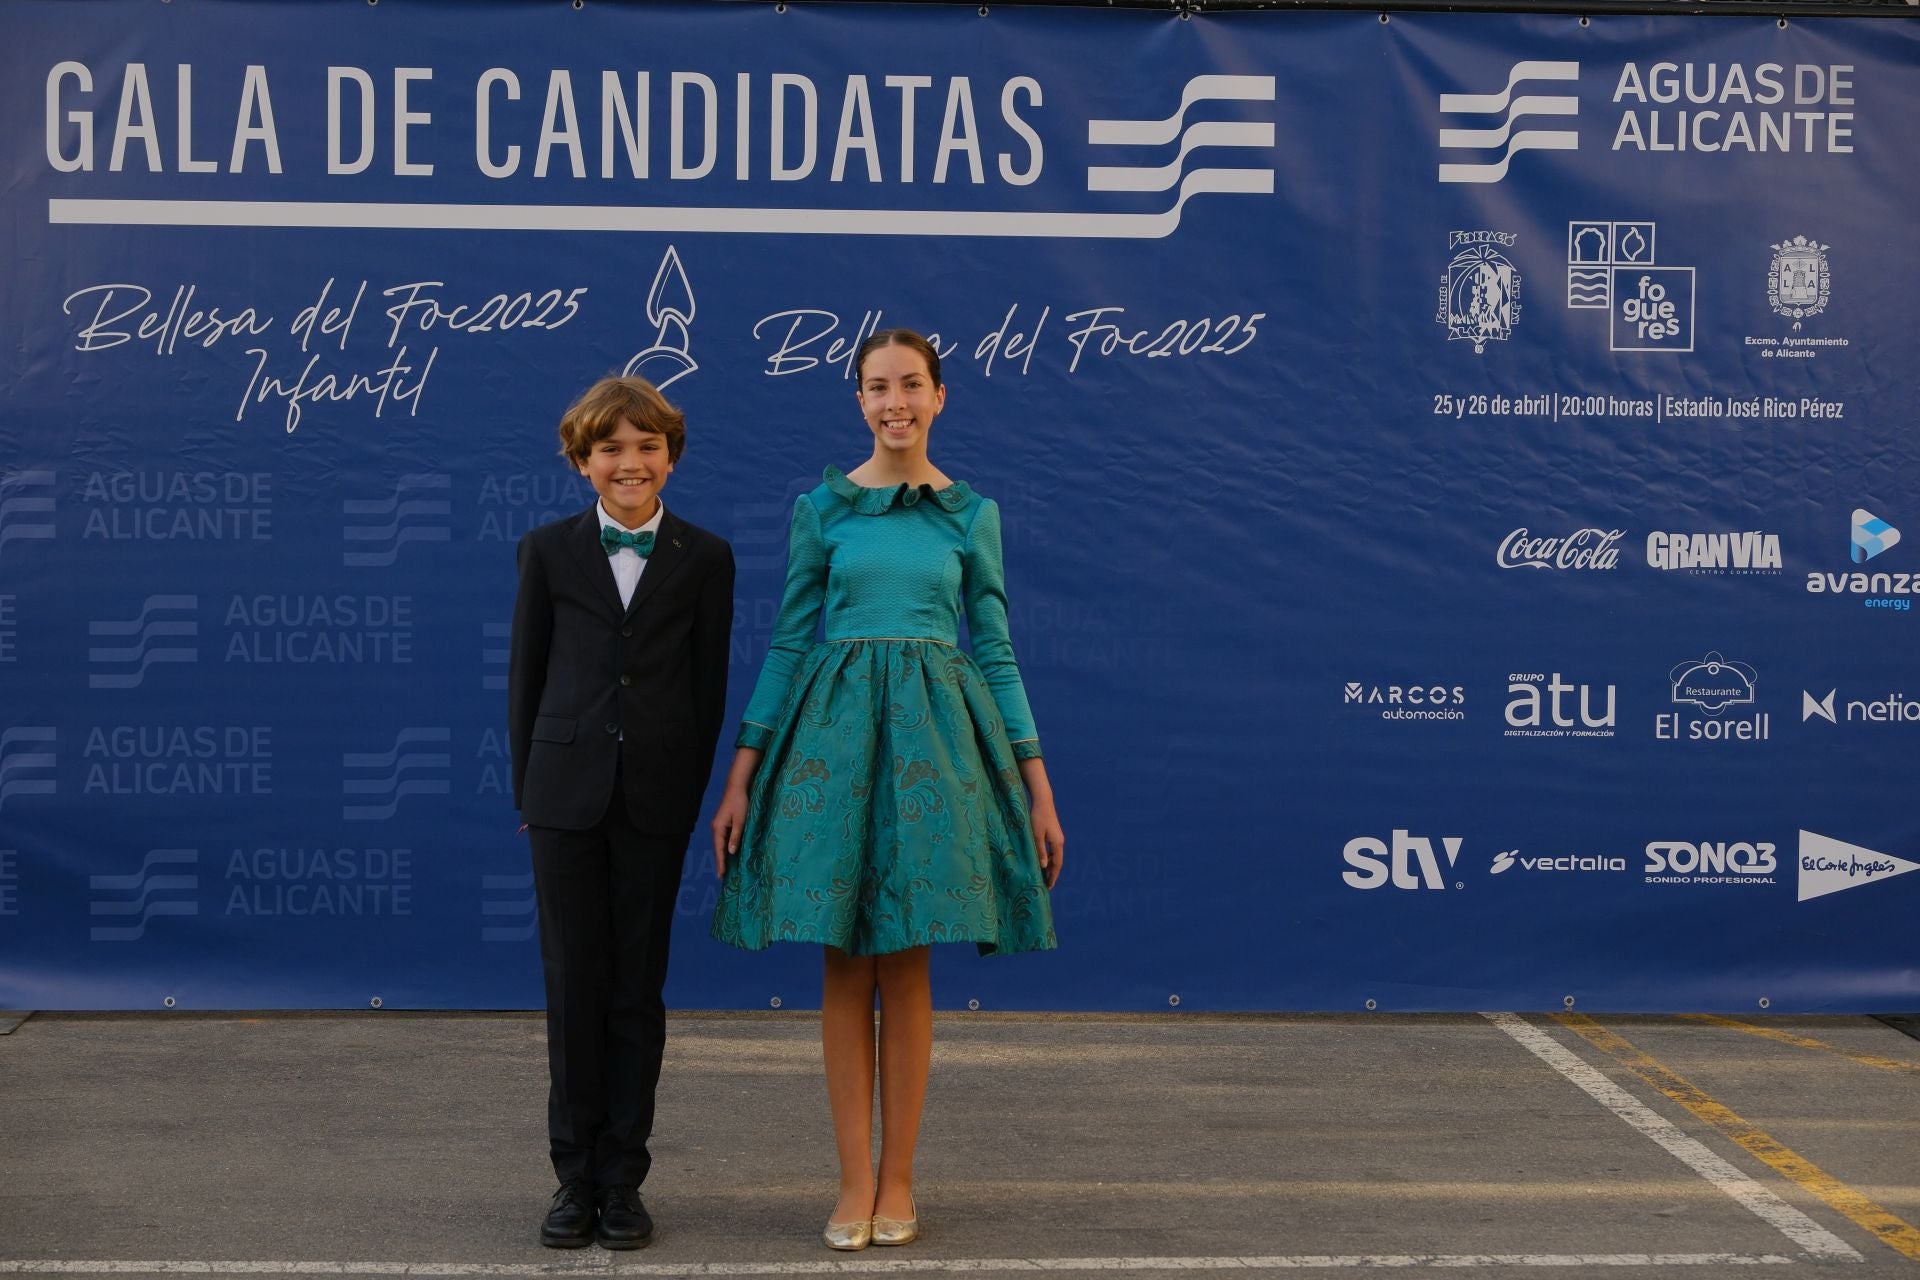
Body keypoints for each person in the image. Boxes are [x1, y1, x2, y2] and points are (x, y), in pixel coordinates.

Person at [709, 329, 1063, 1251]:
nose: (894, 401)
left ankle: (900, 1180)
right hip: (832, 745)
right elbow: (790, 642)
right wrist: (741, 774)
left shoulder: (971, 514)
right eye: (876, 387)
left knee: (907, 959)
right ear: (857, 401)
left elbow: (995, 647)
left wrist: (1038, 785)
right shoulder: (819, 509)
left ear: (940, 396)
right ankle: (852, 1180)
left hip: (938, 750)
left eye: (911, 385)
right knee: (841, 959)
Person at [508, 375, 734, 1250]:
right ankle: (572, 1180)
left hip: (654, 802)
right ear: (581, 462)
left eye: (646, 447)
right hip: (563, 798)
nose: (629, 462)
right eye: (611, 449)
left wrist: (685, 791)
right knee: (574, 988)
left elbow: (705, 690)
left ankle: (624, 1180)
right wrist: (531, 790)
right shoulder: (546, 551)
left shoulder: (705, 557)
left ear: (670, 458)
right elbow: (526, 679)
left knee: (637, 991)